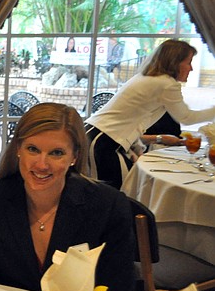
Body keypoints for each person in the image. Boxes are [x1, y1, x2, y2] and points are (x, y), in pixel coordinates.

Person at [0, 103, 140, 291]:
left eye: (56, 153)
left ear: (74, 157)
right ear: (18, 149)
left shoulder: (107, 206)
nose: (42, 164)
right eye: (32, 149)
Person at [85, 40, 215, 188]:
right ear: (175, 62)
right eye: (189, 62)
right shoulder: (166, 84)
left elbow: (133, 119)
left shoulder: (146, 77)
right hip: (104, 139)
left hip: (96, 134)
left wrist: (139, 147)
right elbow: (186, 117)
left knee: (111, 193)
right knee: (108, 196)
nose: (191, 68)